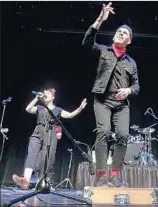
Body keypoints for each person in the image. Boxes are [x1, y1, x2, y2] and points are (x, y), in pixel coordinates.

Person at [82, 2, 140, 187]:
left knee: (123, 135)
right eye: (119, 31)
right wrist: (100, 19)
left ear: (129, 41)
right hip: (102, 100)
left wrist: (129, 90)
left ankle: (115, 174)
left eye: (125, 33)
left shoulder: (131, 62)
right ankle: (100, 175)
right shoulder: (103, 51)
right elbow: (86, 42)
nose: (120, 34)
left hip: (121, 104)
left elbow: (137, 85)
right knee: (103, 132)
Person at [13, 88, 87, 189]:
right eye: (44, 93)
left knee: (47, 157)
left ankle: (43, 183)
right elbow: (28, 109)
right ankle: (26, 180)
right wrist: (36, 98)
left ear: (53, 97)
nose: (45, 94)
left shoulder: (58, 110)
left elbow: (69, 115)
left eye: (47, 93)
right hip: (38, 131)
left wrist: (80, 108)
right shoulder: (39, 107)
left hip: (51, 133)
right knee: (32, 154)